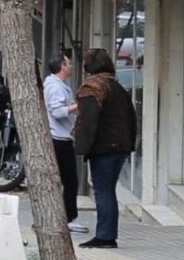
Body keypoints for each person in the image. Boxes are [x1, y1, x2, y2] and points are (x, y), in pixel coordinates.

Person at [73, 48, 137, 249]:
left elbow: (88, 120)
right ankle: (107, 234)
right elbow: (132, 118)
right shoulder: (117, 87)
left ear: (88, 66)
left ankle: (105, 236)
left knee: (103, 192)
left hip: (104, 148)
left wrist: (81, 146)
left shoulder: (92, 87)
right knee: (107, 191)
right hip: (119, 147)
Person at [44, 51, 86, 234]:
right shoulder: (55, 87)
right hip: (59, 139)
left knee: (68, 180)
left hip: (62, 136)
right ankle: (69, 218)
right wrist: (78, 107)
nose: (71, 66)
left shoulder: (58, 85)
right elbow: (58, 111)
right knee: (70, 180)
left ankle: (67, 216)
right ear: (62, 66)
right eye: (69, 64)